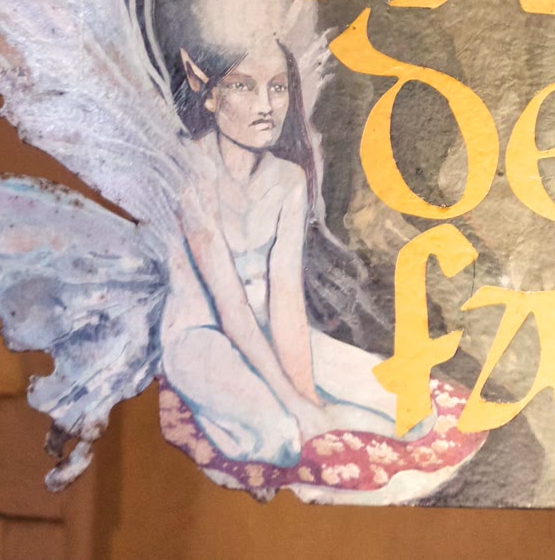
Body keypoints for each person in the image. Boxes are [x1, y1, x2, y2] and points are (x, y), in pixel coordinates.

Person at [158, 37, 413, 468]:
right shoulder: (192, 177)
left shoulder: (289, 180)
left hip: (268, 330)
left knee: (406, 405)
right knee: (282, 435)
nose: (266, 105)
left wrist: (307, 394)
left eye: (278, 87)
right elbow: (230, 308)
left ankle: (313, 409)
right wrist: (297, 407)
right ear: (210, 93)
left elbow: (287, 296)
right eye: (243, 85)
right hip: (203, 335)